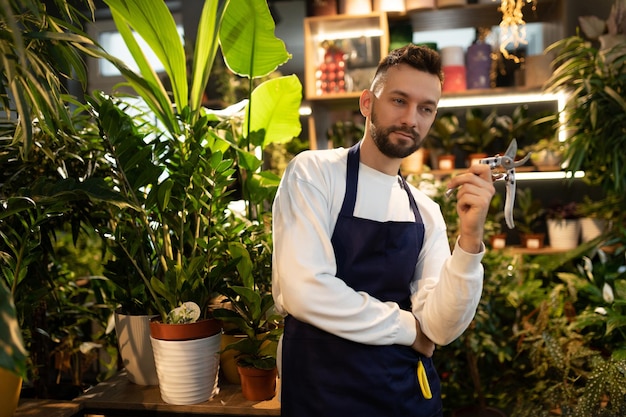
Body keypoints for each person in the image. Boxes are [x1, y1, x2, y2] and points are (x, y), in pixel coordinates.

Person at [271, 44, 495, 417]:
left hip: (403, 395)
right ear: (366, 103)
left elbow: (440, 327)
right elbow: (304, 290)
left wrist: (470, 241)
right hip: (321, 395)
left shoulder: (426, 211)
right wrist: (410, 329)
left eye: (426, 109)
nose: (411, 118)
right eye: (398, 100)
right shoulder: (315, 174)